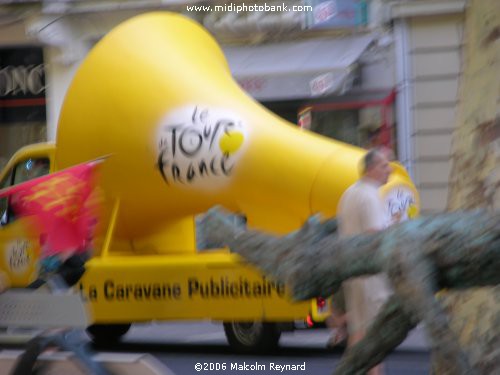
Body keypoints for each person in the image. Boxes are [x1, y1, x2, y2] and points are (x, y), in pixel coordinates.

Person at [329, 147, 394, 375]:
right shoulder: (369, 196)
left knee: (358, 336)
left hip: (354, 275)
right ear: (371, 169)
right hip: (371, 279)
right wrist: (395, 229)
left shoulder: (349, 193)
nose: (390, 169)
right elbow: (375, 236)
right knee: (373, 340)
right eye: (385, 165)